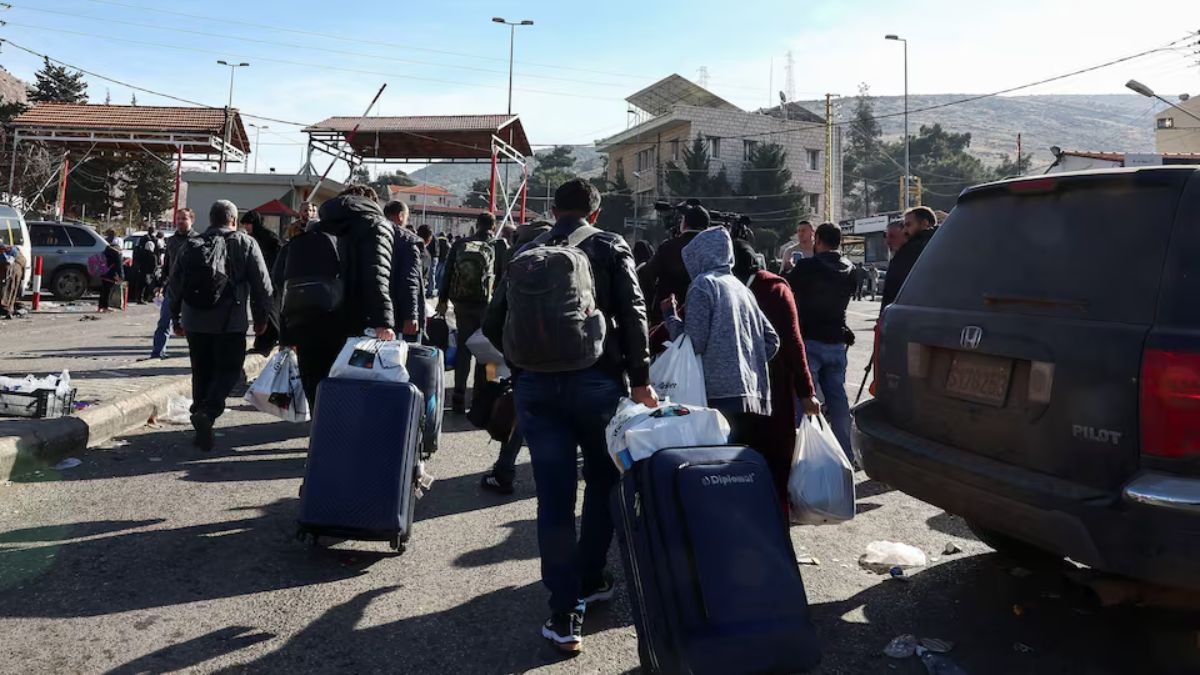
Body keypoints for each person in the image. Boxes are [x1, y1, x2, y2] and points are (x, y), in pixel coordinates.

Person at [482, 179, 656, 653]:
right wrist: (639, 379)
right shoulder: (609, 245)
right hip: (597, 383)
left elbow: (493, 322)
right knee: (602, 483)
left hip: (536, 388)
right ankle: (593, 575)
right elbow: (635, 312)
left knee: (553, 499)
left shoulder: (528, 250)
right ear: (594, 214)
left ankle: (564, 612)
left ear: (554, 210)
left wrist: (524, 366)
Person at [168, 200, 272, 451]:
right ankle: (209, 411)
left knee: (201, 370)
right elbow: (263, 286)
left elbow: (174, 284)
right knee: (229, 369)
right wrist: (261, 319)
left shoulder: (191, 244)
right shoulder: (246, 243)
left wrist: (176, 318)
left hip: (194, 320)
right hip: (230, 321)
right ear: (233, 221)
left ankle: (201, 415)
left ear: (210, 219)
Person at [662, 224, 779, 443]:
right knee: (740, 467)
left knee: (716, 465)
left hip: (716, 395)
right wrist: (746, 363)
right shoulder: (742, 288)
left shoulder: (702, 285)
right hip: (752, 393)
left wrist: (670, 316)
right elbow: (772, 340)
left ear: (699, 256)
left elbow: (693, 344)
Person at [290, 185, 397, 406]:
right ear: (373, 203)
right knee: (352, 391)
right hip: (354, 323)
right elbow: (377, 274)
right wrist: (383, 321)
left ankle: (322, 436)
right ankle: (341, 436)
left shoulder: (314, 227)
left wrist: (287, 332)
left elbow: (288, 277)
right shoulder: (376, 225)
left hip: (309, 319)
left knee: (317, 392)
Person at [480, 219, 553, 496]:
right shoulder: (573, 250)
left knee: (522, 414)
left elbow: (492, 319)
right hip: (570, 353)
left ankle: (505, 472)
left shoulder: (518, 255)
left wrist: (508, 350)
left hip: (524, 353)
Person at [743, 259, 820, 509]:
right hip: (774, 393)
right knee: (776, 465)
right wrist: (806, 392)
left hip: (734, 395)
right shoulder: (775, 289)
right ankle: (777, 528)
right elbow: (793, 344)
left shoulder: (717, 285)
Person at [787, 222, 858, 462]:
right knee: (838, 401)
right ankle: (846, 455)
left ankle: (800, 455)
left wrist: (787, 269)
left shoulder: (807, 266)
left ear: (818, 240)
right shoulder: (850, 268)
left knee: (803, 399)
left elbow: (786, 288)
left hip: (810, 340)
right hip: (837, 341)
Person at [436, 212, 508, 414]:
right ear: (493, 226)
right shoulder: (499, 245)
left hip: (462, 304)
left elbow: (448, 272)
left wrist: (443, 300)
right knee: (488, 353)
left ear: (477, 225)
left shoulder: (461, 244)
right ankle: (482, 398)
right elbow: (505, 276)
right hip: (489, 307)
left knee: (464, 349)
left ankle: (458, 397)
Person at [640, 204, 707, 325]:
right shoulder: (714, 251)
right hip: (703, 317)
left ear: (684, 224)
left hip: (668, 317)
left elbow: (648, 275)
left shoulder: (669, 247)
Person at [150, 209, 198, 359]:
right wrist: (160, 284)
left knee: (194, 325)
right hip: (172, 288)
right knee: (164, 321)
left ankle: (197, 355)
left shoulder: (198, 240)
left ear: (191, 220)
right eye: (178, 219)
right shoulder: (171, 241)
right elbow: (167, 266)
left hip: (191, 290)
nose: (180, 222)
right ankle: (157, 353)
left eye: (184, 219)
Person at [382, 200, 425, 343]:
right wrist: (411, 315)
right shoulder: (408, 240)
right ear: (401, 216)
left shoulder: (373, 234)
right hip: (396, 309)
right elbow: (410, 280)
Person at [241, 210, 282, 355]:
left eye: (248, 224)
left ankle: (268, 341)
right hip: (258, 279)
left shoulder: (268, 237)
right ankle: (262, 341)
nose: (246, 227)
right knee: (258, 310)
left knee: (267, 311)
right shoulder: (253, 238)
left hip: (268, 280)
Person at [881, 206, 938, 309]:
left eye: (908, 225)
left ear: (924, 223)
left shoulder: (910, 251)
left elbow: (893, 289)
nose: (905, 231)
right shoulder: (945, 244)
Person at [97, 231, 124, 314]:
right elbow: (119, 265)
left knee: (103, 290)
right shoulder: (117, 252)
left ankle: (100, 307)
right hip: (111, 274)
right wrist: (121, 276)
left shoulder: (106, 250)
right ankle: (105, 307)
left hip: (103, 272)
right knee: (108, 291)